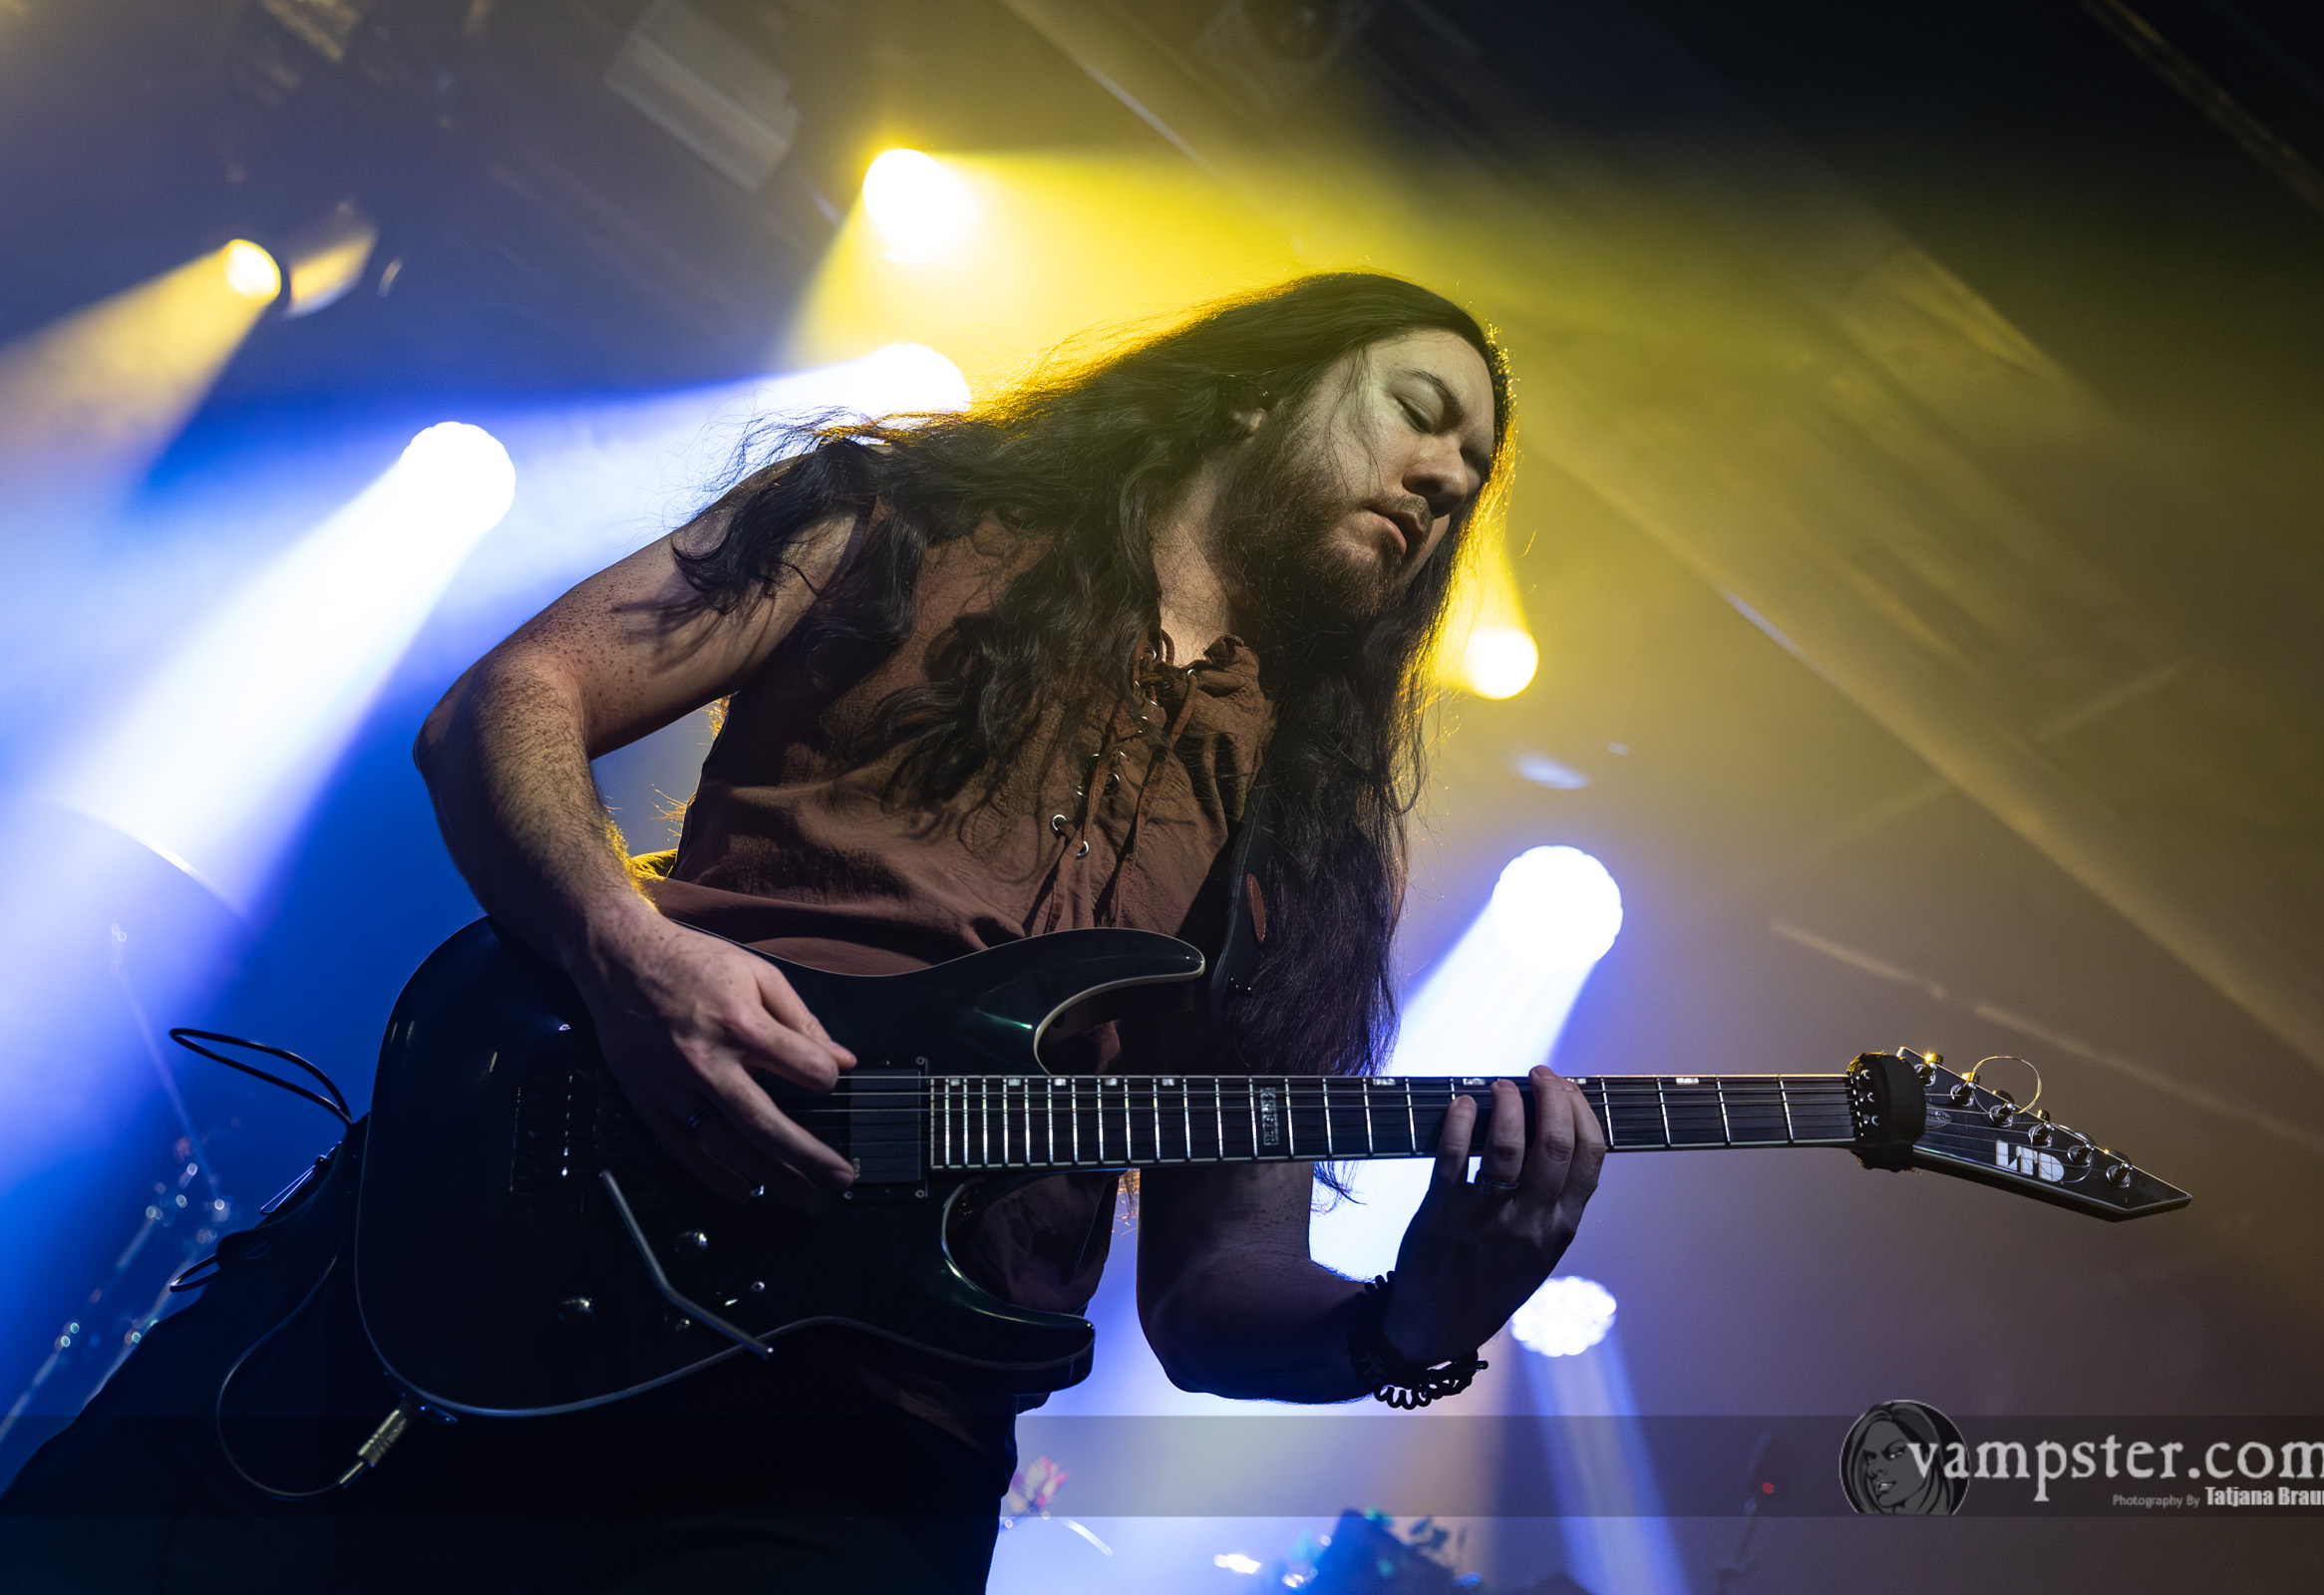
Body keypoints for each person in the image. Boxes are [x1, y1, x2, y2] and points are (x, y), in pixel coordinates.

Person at [0, 272, 1605, 1592]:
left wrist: (1418, 1316)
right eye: (1421, 411)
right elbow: (512, 701)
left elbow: (1214, 1291)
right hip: (519, 1232)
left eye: (1471, 474)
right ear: (1257, 392)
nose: (1445, 479)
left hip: (864, 1448)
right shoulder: (897, 518)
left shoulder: (1316, 845)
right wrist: (631, 956)